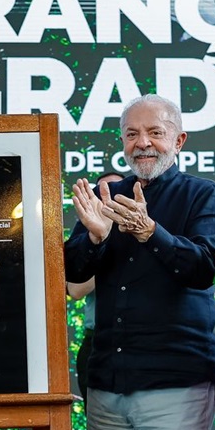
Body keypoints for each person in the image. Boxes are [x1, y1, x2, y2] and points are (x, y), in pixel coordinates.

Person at [64, 94, 215, 430]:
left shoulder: (203, 195)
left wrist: (150, 231)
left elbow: (203, 269)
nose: (144, 143)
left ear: (179, 140)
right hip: (107, 382)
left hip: (176, 380)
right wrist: (98, 236)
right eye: (132, 134)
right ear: (121, 141)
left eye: (156, 133)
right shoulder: (106, 195)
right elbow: (70, 271)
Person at [67, 171, 124, 402]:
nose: (108, 197)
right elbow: (76, 290)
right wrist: (102, 241)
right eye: (101, 193)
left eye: (117, 191)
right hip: (97, 340)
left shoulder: (144, 230)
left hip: (140, 340)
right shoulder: (87, 233)